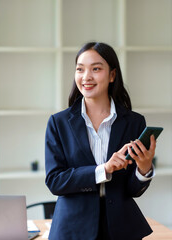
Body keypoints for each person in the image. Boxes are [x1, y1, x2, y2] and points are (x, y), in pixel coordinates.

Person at [45, 42, 156, 240]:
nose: (86, 77)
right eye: (80, 69)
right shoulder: (58, 123)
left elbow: (132, 190)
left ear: (112, 75)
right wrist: (104, 169)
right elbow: (55, 181)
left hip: (121, 228)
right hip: (73, 229)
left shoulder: (134, 122)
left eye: (96, 69)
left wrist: (144, 169)